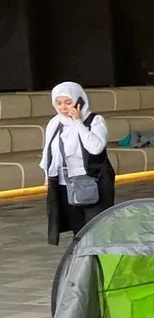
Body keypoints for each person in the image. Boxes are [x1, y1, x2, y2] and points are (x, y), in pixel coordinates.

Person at [41, 82, 115, 245]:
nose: (63, 108)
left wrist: (78, 123)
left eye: (68, 102)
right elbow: (49, 151)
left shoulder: (95, 120)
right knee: (78, 229)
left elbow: (95, 148)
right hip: (65, 183)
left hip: (92, 181)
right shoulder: (55, 123)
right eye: (58, 103)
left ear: (79, 101)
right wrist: (47, 175)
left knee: (94, 227)